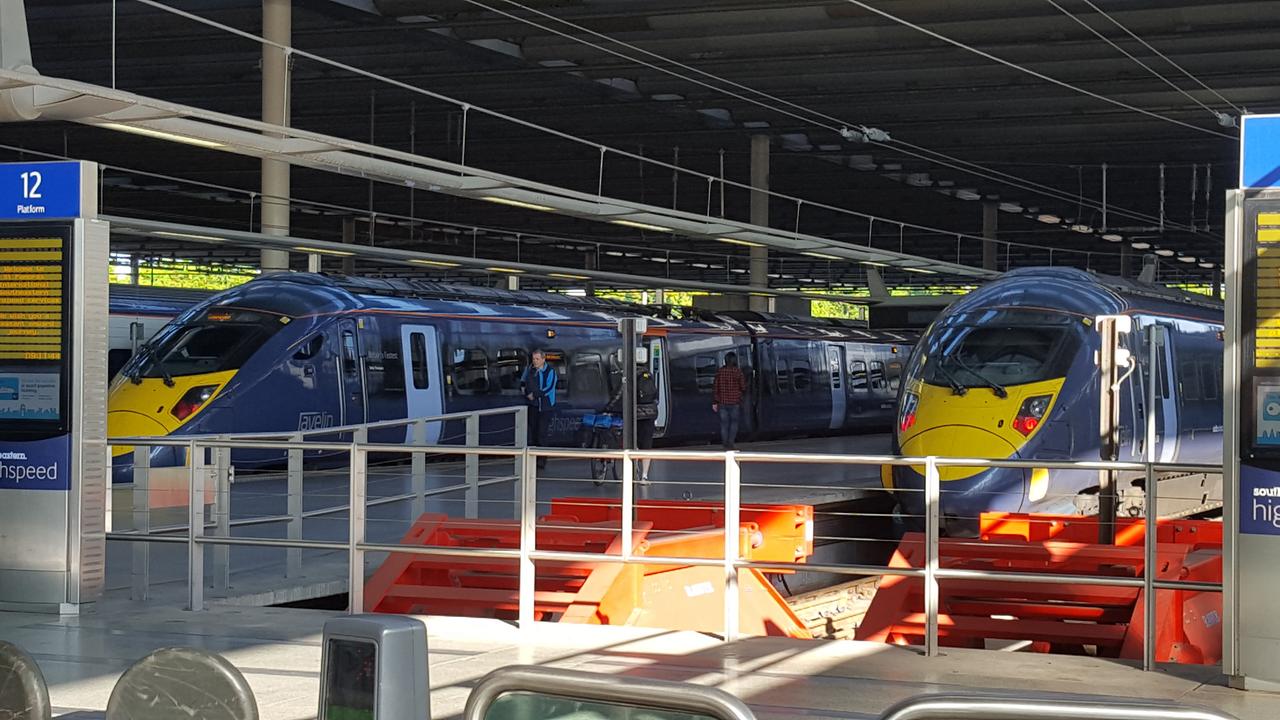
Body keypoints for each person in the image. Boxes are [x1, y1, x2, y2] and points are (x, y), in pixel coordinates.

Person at [604, 357, 659, 483]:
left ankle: (632, 471)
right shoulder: (648, 375)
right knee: (646, 445)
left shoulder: (628, 376)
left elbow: (619, 393)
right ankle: (644, 476)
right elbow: (655, 396)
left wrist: (608, 407)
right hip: (650, 413)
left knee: (631, 443)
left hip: (635, 413)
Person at [520, 349, 557, 469]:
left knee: (542, 433)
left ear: (543, 359)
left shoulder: (550, 371)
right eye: (533, 359)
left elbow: (549, 388)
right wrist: (526, 392)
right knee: (534, 432)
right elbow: (522, 382)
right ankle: (534, 457)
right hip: (533, 406)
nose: (535, 361)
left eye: (537, 359)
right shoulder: (529, 369)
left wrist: (534, 395)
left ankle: (542, 460)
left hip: (545, 407)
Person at [712, 352, 747, 450]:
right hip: (735, 402)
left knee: (724, 424)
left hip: (722, 402)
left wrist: (715, 402)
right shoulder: (738, 372)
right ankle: (731, 443)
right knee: (734, 423)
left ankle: (724, 444)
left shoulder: (720, 372)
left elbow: (715, 388)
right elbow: (743, 387)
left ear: (725, 360)